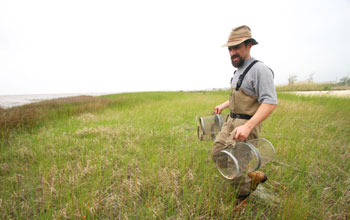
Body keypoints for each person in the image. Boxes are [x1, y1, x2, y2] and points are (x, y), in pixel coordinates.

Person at [211, 25, 278, 201]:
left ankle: (243, 200)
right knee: (217, 153)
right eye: (230, 48)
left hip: (245, 126)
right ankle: (252, 176)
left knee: (236, 168)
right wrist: (224, 105)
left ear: (249, 45)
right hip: (230, 122)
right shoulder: (238, 71)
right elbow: (240, 96)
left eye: (237, 47)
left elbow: (270, 102)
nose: (232, 52)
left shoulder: (260, 69)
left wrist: (248, 127)